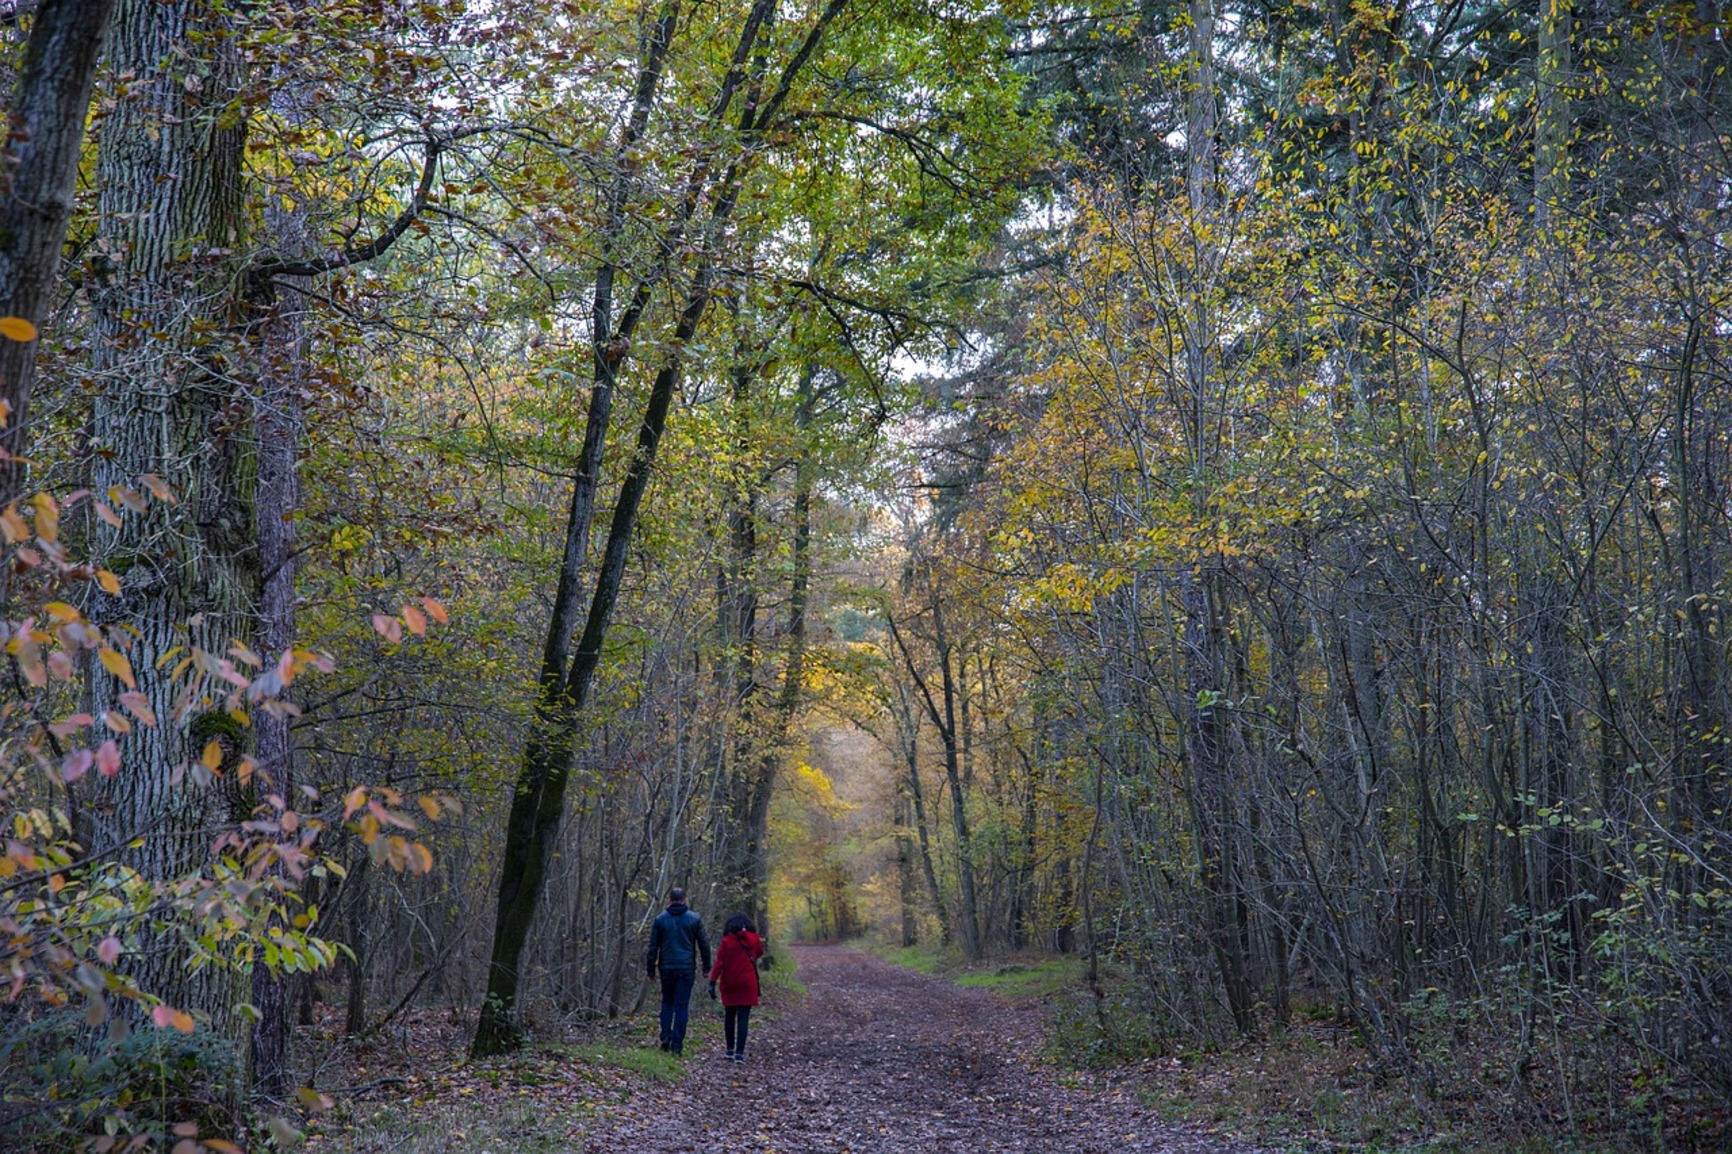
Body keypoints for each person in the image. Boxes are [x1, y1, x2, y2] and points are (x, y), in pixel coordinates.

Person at [645, 886, 711, 1056]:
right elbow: (704, 945)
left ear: (669, 900)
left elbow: (653, 947)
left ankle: (665, 1035)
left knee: (667, 1002)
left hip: (666, 967)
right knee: (681, 1005)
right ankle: (677, 1044)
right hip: (686, 968)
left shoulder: (660, 920)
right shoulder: (694, 919)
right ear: (685, 899)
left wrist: (650, 970)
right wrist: (706, 967)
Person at [707, 913, 764, 1063]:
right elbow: (759, 953)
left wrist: (712, 982)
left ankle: (729, 1050)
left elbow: (720, 963)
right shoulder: (755, 940)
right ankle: (740, 1054)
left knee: (729, 1016)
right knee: (743, 1018)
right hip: (747, 982)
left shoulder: (726, 941)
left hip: (729, 982)